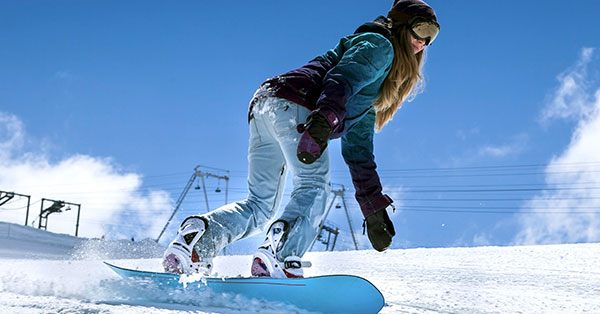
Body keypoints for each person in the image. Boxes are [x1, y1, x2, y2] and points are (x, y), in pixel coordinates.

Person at [162, 0, 440, 278]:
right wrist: (323, 120)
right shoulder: (381, 45)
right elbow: (342, 77)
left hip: (267, 104)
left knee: (259, 205)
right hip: (297, 106)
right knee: (314, 187)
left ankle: (195, 243)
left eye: (433, 36)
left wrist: (373, 208)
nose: (424, 42)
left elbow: (359, 155)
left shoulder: (367, 101)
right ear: (401, 25)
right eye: (422, 29)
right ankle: (280, 258)